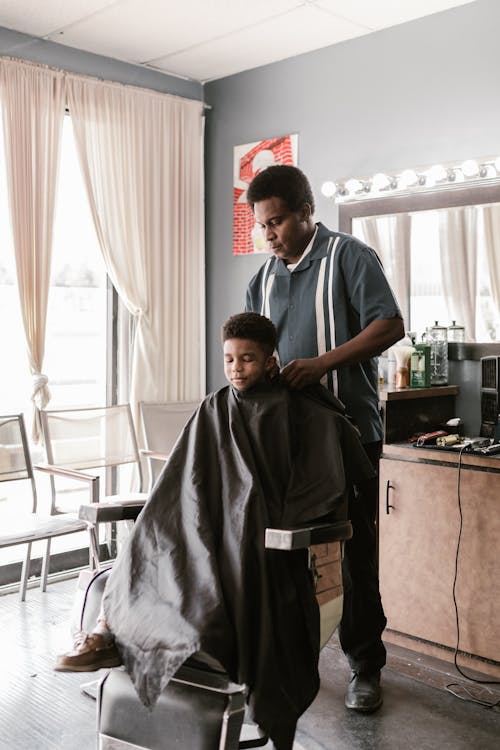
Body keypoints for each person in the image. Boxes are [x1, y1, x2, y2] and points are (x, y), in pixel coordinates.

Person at [55, 311, 373, 750]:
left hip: (256, 538)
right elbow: (181, 480)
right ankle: (108, 630)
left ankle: (116, 631)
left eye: (247, 359)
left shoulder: (295, 410)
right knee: (150, 540)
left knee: (202, 574)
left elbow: (322, 482)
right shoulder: (214, 405)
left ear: (271, 361)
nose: (236, 368)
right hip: (198, 523)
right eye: (228, 359)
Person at [245, 164, 405, 713]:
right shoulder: (261, 279)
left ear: (307, 212)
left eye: (279, 221)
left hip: (349, 438)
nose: (270, 234)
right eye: (263, 225)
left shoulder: (349, 257)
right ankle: (292, 661)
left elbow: (390, 325)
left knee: (355, 556)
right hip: (285, 446)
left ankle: (365, 666)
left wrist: (321, 365)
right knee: (284, 557)